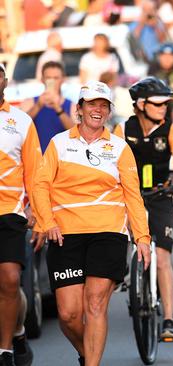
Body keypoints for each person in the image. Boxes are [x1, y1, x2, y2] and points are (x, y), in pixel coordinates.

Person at [32, 81, 151, 366]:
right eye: (92, 104)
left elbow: (133, 196)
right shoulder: (59, 143)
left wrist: (142, 238)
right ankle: (89, 354)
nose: (97, 110)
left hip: (108, 232)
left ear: (109, 112)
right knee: (68, 315)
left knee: (96, 303)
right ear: (80, 110)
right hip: (66, 234)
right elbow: (40, 185)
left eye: (103, 105)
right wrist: (47, 222)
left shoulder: (120, 148)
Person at [113, 77, 173, 341]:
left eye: (166, 103)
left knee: (164, 256)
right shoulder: (123, 129)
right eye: (158, 103)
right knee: (118, 231)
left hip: (161, 194)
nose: (163, 108)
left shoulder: (171, 129)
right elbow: (110, 160)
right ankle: (126, 270)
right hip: (130, 194)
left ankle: (169, 319)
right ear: (141, 105)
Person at [0, 63, 41, 366]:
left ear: (4, 80)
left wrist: (38, 213)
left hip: (10, 212)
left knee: (10, 280)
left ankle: (5, 351)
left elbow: (36, 174)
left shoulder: (21, 121)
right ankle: (17, 331)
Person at [21, 61, 75, 153]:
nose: (52, 81)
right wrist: (38, 106)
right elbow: (19, 126)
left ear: (63, 79)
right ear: (42, 79)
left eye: (56, 78)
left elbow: (76, 132)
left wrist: (58, 108)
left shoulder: (71, 105)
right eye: (48, 78)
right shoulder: (29, 102)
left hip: (61, 158)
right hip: (36, 158)